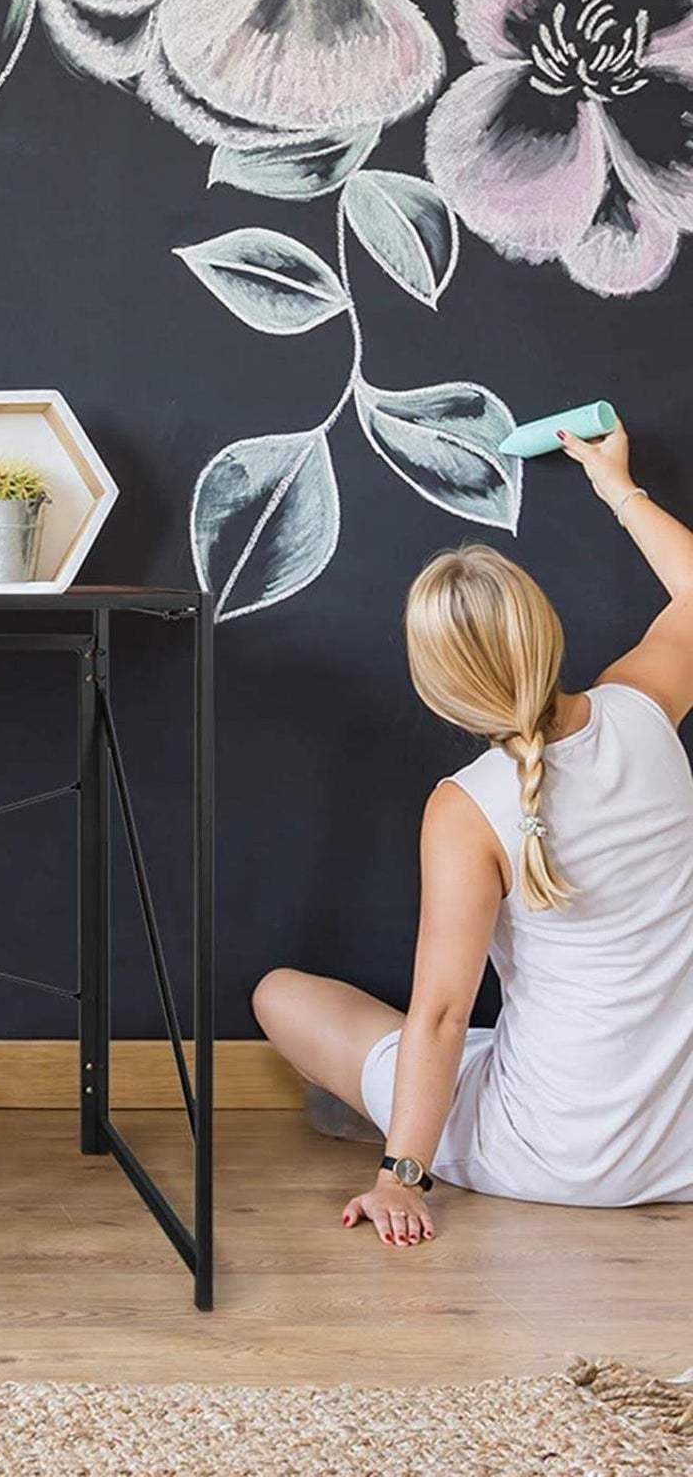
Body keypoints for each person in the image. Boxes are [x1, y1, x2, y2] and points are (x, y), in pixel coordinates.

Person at [253, 420, 693, 1248]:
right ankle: (410, 1106)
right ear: (545, 629)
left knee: (279, 995)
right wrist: (614, 484)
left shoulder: (467, 806)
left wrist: (401, 1178)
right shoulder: (646, 715)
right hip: (683, 1144)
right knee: (493, 1040)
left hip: (555, 1154)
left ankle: (405, 1125)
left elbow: (444, 1012)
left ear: (438, 689)